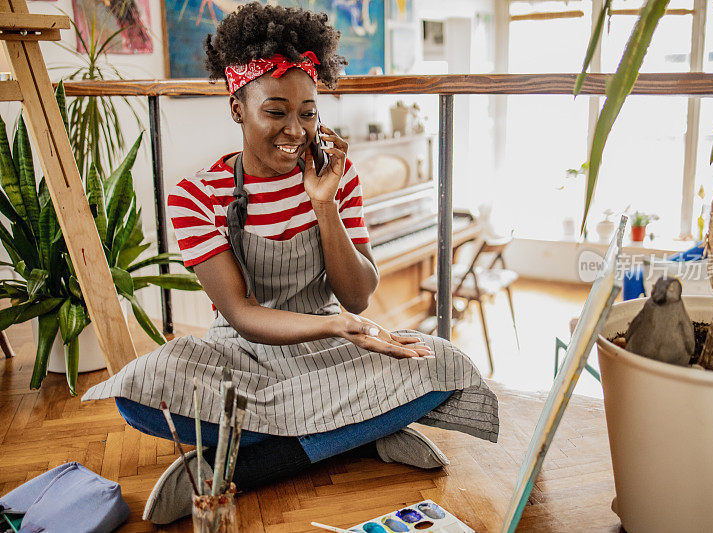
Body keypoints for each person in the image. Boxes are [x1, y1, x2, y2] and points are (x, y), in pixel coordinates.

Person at [82, 3, 498, 525]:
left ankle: (248, 466)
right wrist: (340, 326)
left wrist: (324, 204)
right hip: (245, 353)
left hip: (329, 350)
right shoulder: (196, 195)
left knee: (443, 361)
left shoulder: (337, 179)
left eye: (308, 112)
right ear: (238, 108)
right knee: (139, 392)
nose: (295, 130)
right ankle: (361, 433)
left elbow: (358, 297)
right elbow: (240, 313)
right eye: (275, 112)